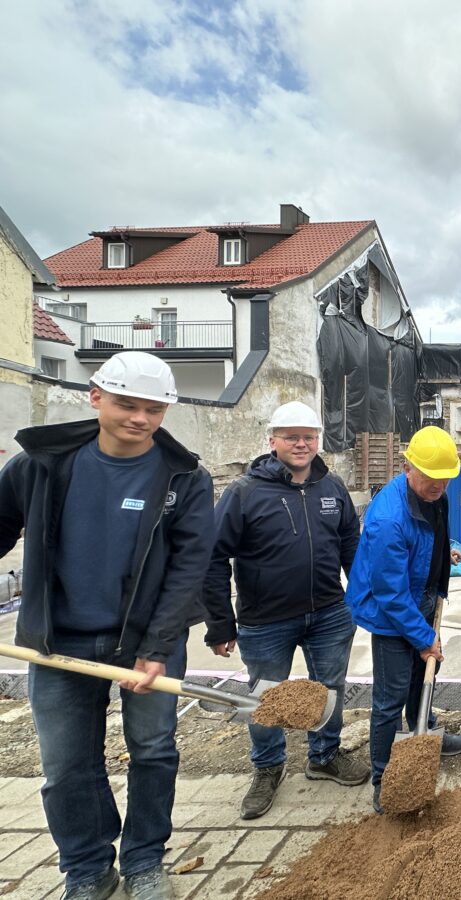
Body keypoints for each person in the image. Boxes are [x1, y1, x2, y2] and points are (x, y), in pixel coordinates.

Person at [0, 352, 214, 900]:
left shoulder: (185, 478)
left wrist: (157, 647)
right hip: (56, 642)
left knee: (154, 751)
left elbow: (189, 567)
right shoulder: (40, 465)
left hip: (146, 640)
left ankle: (144, 862)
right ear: (96, 397)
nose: (140, 418)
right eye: (126, 404)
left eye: (153, 409)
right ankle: (87, 868)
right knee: (67, 766)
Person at [203, 401, 367, 821]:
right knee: (266, 696)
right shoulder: (245, 492)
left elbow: (351, 543)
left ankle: (324, 756)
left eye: (308, 437)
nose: (301, 444)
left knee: (329, 688)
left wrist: (360, 595)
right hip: (265, 619)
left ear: (318, 441)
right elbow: (213, 557)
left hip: (329, 612)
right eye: (291, 436)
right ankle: (267, 768)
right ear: (272, 441)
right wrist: (220, 622)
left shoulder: (332, 488)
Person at [344, 426, 461, 813]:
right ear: (407, 468)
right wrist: (423, 638)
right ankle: (384, 779)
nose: (440, 486)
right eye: (432, 478)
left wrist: (442, 559)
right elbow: (391, 594)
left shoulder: (436, 493)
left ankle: (423, 734)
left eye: (446, 479)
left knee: (422, 679)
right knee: (389, 699)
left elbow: (433, 535)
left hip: (423, 598)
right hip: (391, 614)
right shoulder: (387, 519)